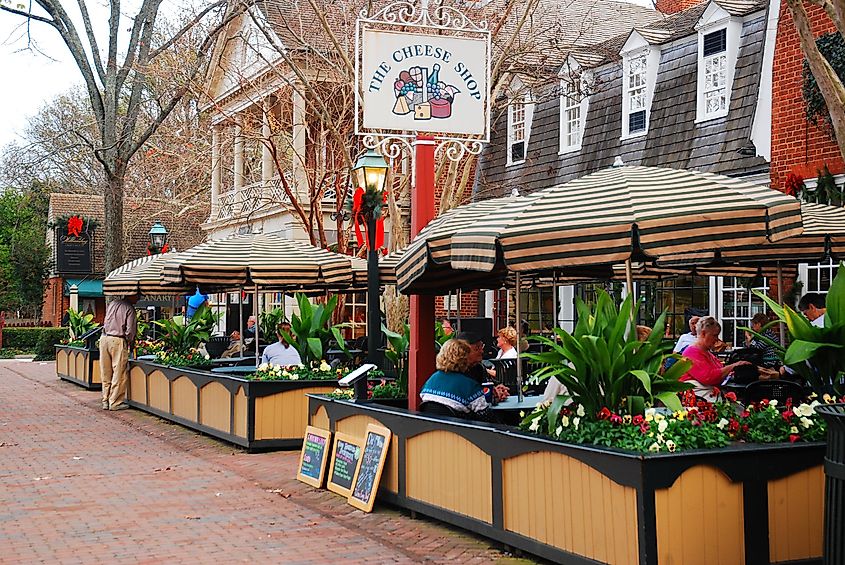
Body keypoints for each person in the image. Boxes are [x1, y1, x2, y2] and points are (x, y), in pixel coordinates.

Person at [681, 316, 751, 401]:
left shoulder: (708, 353)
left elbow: (720, 372)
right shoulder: (691, 353)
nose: (717, 339)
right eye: (715, 335)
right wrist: (734, 365)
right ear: (703, 334)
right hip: (698, 402)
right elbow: (709, 378)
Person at [420, 338, 492, 418]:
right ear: (464, 358)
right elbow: (486, 415)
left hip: (432, 427)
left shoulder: (431, 379)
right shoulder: (469, 385)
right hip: (458, 428)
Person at [100, 294, 139, 410]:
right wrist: (131, 343)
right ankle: (115, 402)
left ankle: (105, 400)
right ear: (131, 296)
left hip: (104, 338)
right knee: (119, 372)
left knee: (106, 371)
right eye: (137, 296)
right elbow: (130, 330)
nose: (139, 298)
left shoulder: (112, 304)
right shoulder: (129, 308)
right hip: (118, 340)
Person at [457, 330, 509, 402]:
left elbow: (488, 385)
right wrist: (494, 397)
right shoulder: (456, 372)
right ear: (463, 352)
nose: (482, 351)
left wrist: (498, 389)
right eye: (477, 348)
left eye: (482, 346)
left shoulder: (479, 368)